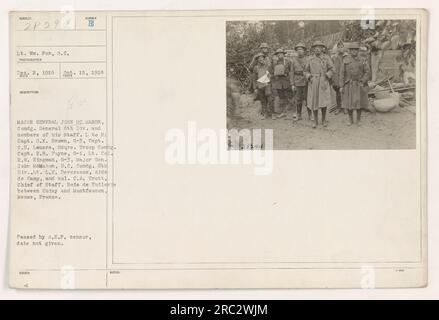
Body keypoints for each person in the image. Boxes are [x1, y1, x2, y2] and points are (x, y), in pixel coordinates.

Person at [339, 42, 371, 126]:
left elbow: (367, 72)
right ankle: (350, 120)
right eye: (352, 50)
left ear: (358, 50)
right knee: (349, 103)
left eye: (355, 50)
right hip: (348, 84)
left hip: (359, 84)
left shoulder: (363, 59)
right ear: (349, 51)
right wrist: (341, 86)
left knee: (358, 103)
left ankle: (358, 120)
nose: (354, 51)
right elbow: (342, 73)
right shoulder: (345, 59)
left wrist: (363, 81)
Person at [304, 41, 334, 128]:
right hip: (313, 82)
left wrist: (327, 75)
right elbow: (305, 71)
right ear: (313, 49)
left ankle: (323, 120)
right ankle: (315, 121)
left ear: (322, 48)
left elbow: (332, 69)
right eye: (315, 47)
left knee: (323, 101)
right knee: (314, 102)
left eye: (319, 47)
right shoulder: (310, 59)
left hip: (323, 81)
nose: (317, 49)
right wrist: (309, 77)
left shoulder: (326, 58)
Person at [290, 43, 311, 121]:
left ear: (304, 51)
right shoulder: (293, 60)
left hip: (306, 81)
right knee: (298, 99)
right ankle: (299, 115)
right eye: (298, 50)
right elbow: (291, 72)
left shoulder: (308, 59)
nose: (299, 51)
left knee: (308, 98)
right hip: (297, 81)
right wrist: (292, 84)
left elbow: (310, 70)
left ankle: (310, 115)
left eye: (301, 49)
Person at [270, 48, 293, 119]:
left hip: (286, 81)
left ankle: (290, 112)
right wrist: (274, 75)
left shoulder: (288, 61)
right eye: (278, 54)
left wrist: (288, 76)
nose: (280, 55)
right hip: (278, 83)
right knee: (281, 97)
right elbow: (271, 72)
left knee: (289, 96)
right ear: (276, 55)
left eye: (281, 53)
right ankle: (283, 112)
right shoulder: (274, 63)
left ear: (283, 54)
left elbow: (291, 71)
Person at [252, 53, 274, 120]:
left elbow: (272, 74)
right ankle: (265, 114)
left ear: (264, 59)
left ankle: (272, 114)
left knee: (270, 100)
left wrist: (270, 77)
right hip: (260, 86)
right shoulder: (256, 68)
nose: (261, 60)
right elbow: (254, 78)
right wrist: (255, 88)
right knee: (263, 100)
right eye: (259, 59)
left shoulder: (268, 66)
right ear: (257, 60)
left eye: (262, 58)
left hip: (267, 85)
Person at [331, 42, 347, 115]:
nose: (340, 48)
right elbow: (331, 67)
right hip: (337, 77)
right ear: (337, 48)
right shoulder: (334, 57)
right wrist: (333, 78)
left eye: (341, 47)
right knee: (338, 93)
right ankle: (338, 107)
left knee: (346, 92)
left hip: (345, 77)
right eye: (339, 47)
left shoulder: (347, 56)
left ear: (344, 47)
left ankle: (345, 107)